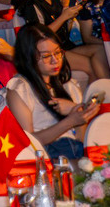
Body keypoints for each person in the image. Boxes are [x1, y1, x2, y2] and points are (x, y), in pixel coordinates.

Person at [6, 24, 97, 161]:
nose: (55, 60)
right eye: (46, 56)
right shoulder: (19, 89)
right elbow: (28, 142)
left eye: (58, 52)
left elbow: (81, 138)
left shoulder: (67, 85)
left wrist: (76, 110)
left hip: (75, 151)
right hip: (44, 156)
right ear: (28, 57)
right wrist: (70, 121)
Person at [11, 0, 109, 80]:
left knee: (101, 50)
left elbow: (64, 31)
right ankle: (97, 89)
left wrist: (66, 10)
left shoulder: (56, 1)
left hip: (65, 45)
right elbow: (39, 35)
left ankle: (107, 86)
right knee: (89, 65)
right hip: (49, 51)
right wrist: (64, 16)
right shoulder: (33, 5)